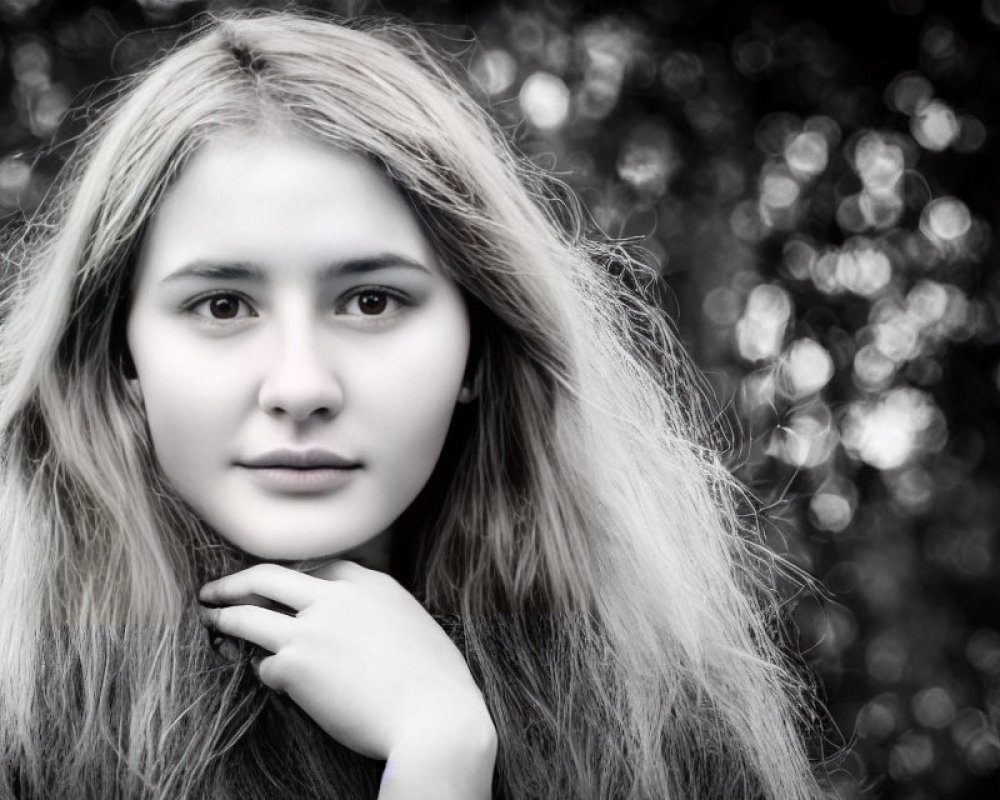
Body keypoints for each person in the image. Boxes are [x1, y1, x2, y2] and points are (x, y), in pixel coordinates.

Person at [0, 11, 823, 799]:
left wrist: (441, 747)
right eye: (223, 306)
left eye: (371, 302)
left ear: (480, 342)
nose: (300, 388)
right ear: (120, 355)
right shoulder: (20, 729)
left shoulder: (659, 730)